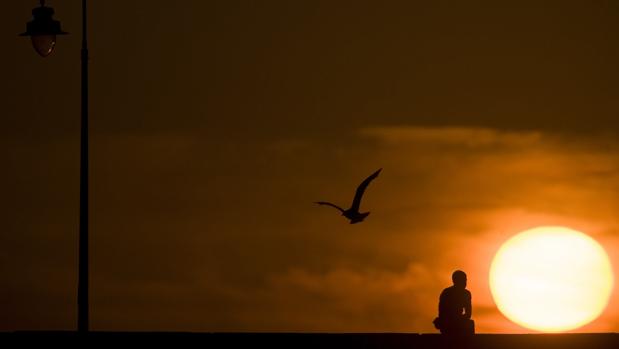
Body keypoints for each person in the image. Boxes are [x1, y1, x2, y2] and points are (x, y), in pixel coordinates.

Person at [433, 270, 475, 335]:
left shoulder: (466, 294)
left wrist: (459, 319)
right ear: (455, 281)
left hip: (459, 320)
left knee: (470, 323)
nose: (465, 282)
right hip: (447, 321)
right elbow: (442, 312)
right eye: (463, 280)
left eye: (465, 280)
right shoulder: (446, 293)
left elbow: (468, 314)